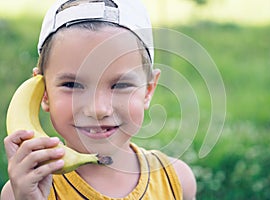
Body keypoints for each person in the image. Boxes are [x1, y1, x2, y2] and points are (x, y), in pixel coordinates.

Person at [1, 0, 197, 199]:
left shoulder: (176, 181)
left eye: (120, 85)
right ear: (43, 93)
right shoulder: (25, 191)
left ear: (147, 90)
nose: (98, 109)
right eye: (72, 85)